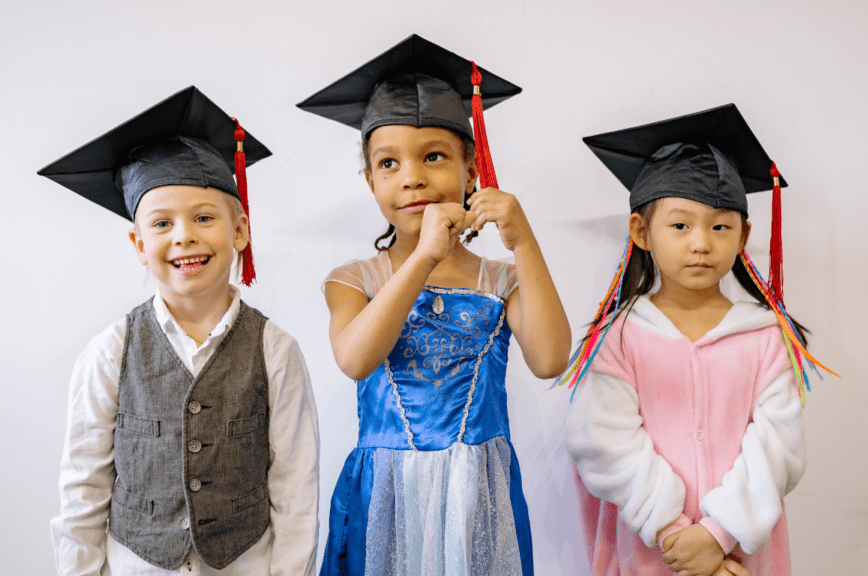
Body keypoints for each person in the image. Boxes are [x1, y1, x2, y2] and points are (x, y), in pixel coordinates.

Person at [297, 34, 571, 576]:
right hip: (386, 496)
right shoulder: (354, 280)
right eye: (389, 164)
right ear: (370, 179)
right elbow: (355, 359)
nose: (412, 177)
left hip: (478, 496)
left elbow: (550, 359)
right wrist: (422, 257)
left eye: (434, 157)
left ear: (472, 169)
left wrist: (525, 242)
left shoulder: (501, 280)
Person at [40, 86, 320, 576]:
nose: (184, 235)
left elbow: (296, 485)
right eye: (162, 223)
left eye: (204, 218)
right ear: (139, 243)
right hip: (138, 566)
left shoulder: (275, 350)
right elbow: (83, 483)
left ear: (240, 231)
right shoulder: (111, 351)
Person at [563, 104, 836, 576]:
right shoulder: (621, 337)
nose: (701, 243)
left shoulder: (766, 336)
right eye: (680, 225)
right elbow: (603, 442)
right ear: (641, 231)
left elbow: (779, 447)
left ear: (744, 235)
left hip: (740, 555)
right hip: (652, 550)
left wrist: (717, 535)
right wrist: (675, 535)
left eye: (720, 226)